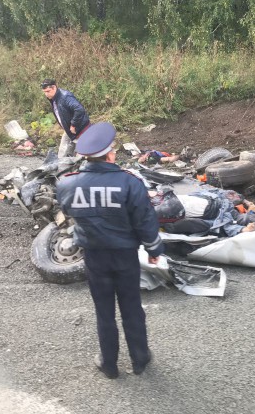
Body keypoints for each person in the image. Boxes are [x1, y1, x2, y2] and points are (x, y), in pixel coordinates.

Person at [56, 122, 163, 379]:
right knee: (131, 308)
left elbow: (69, 213)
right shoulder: (130, 182)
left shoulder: (67, 184)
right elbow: (145, 221)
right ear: (110, 154)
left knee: (104, 311)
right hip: (125, 255)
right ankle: (139, 359)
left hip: (94, 256)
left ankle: (109, 364)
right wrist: (153, 248)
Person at [40, 79, 90, 158]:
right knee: (62, 153)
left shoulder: (65, 97)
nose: (46, 94)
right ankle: (63, 167)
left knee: (84, 155)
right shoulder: (54, 98)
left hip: (81, 128)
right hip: (68, 129)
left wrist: (73, 124)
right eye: (44, 92)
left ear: (54, 87)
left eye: (48, 91)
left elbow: (79, 109)